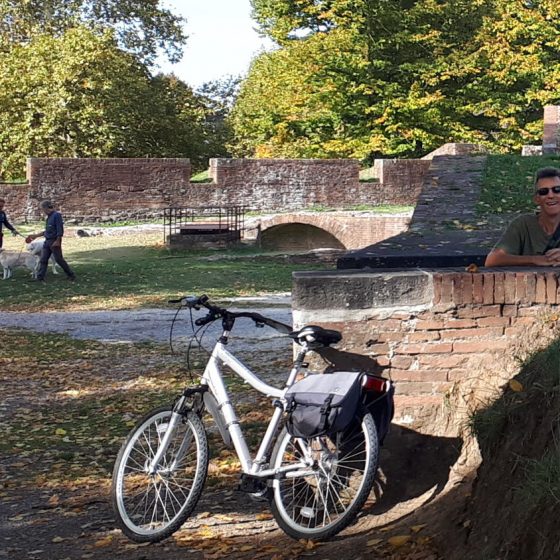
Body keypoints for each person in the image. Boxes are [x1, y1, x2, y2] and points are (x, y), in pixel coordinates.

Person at [485, 167, 560, 267]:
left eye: (557, 190)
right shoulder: (523, 224)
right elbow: (492, 260)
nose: (551, 195)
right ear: (536, 199)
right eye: (543, 191)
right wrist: (536, 260)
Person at [25, 200, 76, 281]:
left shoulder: (57, 215)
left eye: (42, 209)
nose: (43, 212)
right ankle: (40, 277)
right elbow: (47, 231)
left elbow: (60, 229)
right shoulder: (49, 217)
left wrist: (58, 240)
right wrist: (35, 236)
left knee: (59, 259)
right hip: (47, 241)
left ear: (46, 208)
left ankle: (71, 274)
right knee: (43, 259)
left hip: (54, 240)